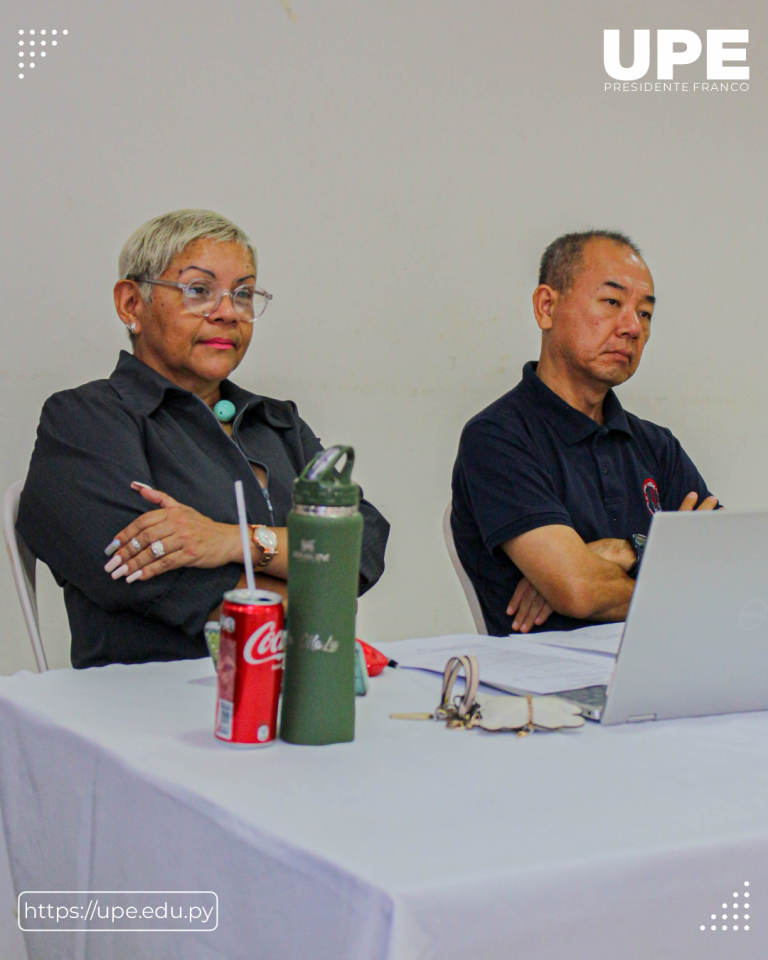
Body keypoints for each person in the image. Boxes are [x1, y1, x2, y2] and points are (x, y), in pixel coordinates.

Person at [18, 210, 389, 668]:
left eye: (243, 294)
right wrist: (312, 594)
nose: (228, 313)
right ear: (132, 304)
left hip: (295, 686)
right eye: (198, 290)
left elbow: (364, 545)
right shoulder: (85, 418)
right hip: (146, 697)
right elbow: (137, 573)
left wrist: (232, 541)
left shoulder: (278, 423)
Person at [451, 230, 719, 637]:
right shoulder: (497, 438)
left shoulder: (657, 446)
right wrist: (666, 567)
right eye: (611, 302)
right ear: (547, 307)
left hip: (664, 663)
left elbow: (725, 574)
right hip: (549, 676)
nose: (632, 327)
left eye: (645, 313)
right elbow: (578, 590)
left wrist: (619, 550)